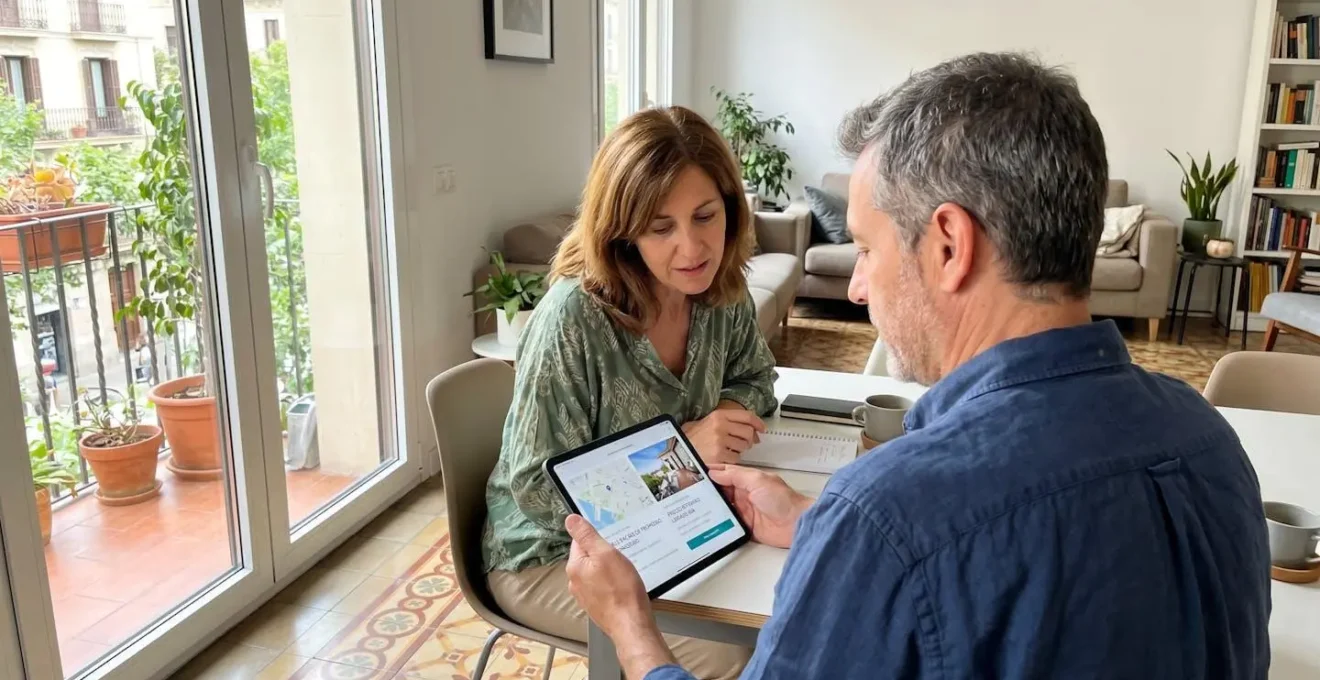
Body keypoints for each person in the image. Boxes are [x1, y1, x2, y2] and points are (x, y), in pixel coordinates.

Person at [564, 52, 1271, 679]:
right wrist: (813, 520)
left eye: (867, 249)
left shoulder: (887, 518)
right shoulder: (1212, 443)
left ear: (948, 246)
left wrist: (633, 632)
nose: (856, 287)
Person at [483, 106, 779, 679]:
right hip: (552, 553)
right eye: (661, 227)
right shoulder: (573, 318)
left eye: (705, 216)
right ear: (623, 233)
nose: (692, 248)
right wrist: (680, 454)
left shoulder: (723, 290)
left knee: (783, 601)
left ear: (731, 210)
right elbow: (535, 487)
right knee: (735, 654)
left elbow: (757, 377)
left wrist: (732, 410)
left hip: (677, 521)